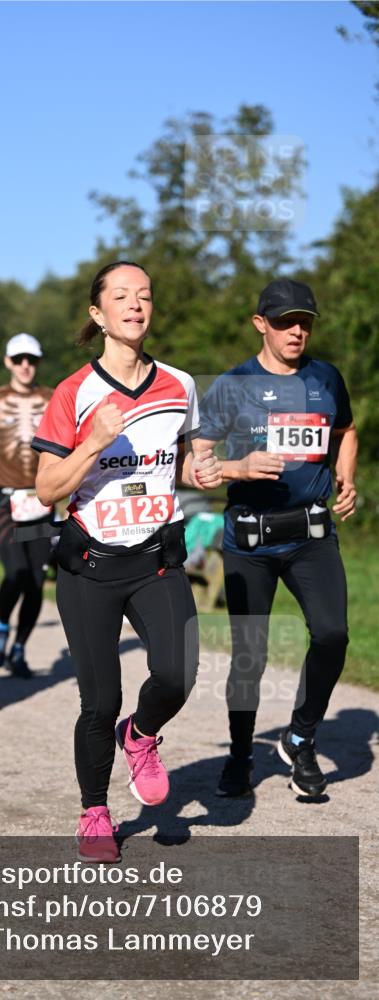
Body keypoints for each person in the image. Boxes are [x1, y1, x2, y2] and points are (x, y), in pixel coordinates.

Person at [32, 261, 222, 862]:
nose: (135, 305)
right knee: (99, 699)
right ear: (99, 314)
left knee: (178, 670)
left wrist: (204, 472)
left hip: (156, 557)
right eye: (121, 296)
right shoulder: (74, 393)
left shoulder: (180, 384)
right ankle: (94, 810)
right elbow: (46, 490)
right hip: (89, 564)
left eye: (144, 295)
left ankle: (140, 736)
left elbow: (189, 460)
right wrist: (92, 442)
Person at [197, 279, 357, 799]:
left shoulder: (326, 378)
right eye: (286, 321)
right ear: (259, 323)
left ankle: (299, 737)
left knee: (332, 635)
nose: (297, 331)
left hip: (311, 535)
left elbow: (346, 432)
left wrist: (346, 479)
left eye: (305, 322)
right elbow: (190, 461)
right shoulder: (232, 385)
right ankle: (241, 755)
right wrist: (235, 466)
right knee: (251, 655)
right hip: (249, 542)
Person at [0, 333, 54, 678]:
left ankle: (18, 649)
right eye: (18, 359)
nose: (25, 366)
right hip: (3, 500)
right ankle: (2, 625)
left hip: (41, 500)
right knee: (15, 570)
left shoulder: (51, 398)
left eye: (31, 360)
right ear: (7, 362)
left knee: (35, 580)